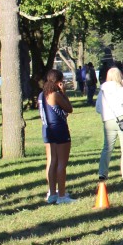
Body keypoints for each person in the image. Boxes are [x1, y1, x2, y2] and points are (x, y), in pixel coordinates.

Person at [39, 69, 74, 204]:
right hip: (59, 129)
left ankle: (52, 193)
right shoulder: (55, 95)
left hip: (47, 129)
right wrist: (63, 92)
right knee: (61, 163)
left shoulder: (42, 94)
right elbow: (69, 108)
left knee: (52, 161)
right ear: (59, 81)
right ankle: (62, 196)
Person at [96, 67, 123, 180]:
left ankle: (102, 172)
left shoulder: (103, 90)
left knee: (107, 148)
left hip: (108, 120)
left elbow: (98, 107)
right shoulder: (121, 88)